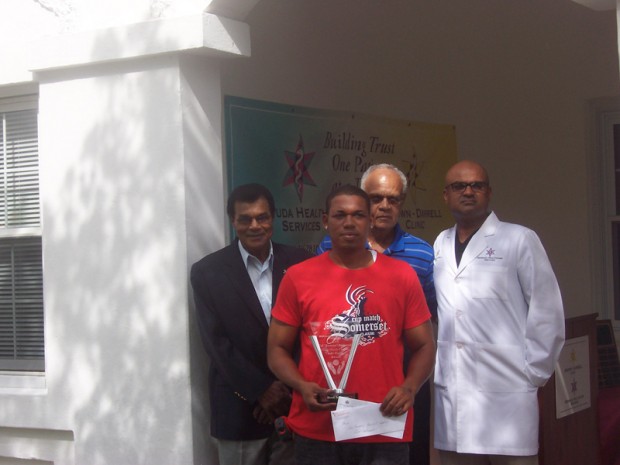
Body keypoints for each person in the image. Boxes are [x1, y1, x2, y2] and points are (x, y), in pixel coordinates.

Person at [267, 185, 436, 465]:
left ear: (370, 221)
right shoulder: (298, 277)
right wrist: (301, 385)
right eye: (340, 215)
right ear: (325, 221)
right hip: (318, 427)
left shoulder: (401, 275)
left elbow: (425, 345)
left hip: (383, 423)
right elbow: (276, 349)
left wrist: (410, 388)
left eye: (358, 215)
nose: (349, 222)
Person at [433, 160, 565, 465]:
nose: (468, 192)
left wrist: (534, 373)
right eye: (459, 186)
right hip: (454, 397)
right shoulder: (440, 243)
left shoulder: (519, 239)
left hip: (508, 394)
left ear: (489, 192)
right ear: (445, 195)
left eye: (476, 185)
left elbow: (547, 310)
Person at [316, 163, 436, 465]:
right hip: (347, 376)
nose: (384, 206)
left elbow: (430, 315)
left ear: (402, 203)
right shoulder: (329, 246)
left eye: (393, 199)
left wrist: (411, 384)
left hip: (404, 377)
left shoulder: (422, 254)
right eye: (375, 198)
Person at [191, 183, 312, 465]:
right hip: (239, 409)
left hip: (295, 405)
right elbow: (216, 344)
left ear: (273, 218)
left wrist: (287, 388)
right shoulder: (207, 272)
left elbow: (312, 332)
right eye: (245, 219)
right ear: (233, 221)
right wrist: (261, 390)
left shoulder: (301, 264)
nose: (255, 226)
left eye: (262, 217)